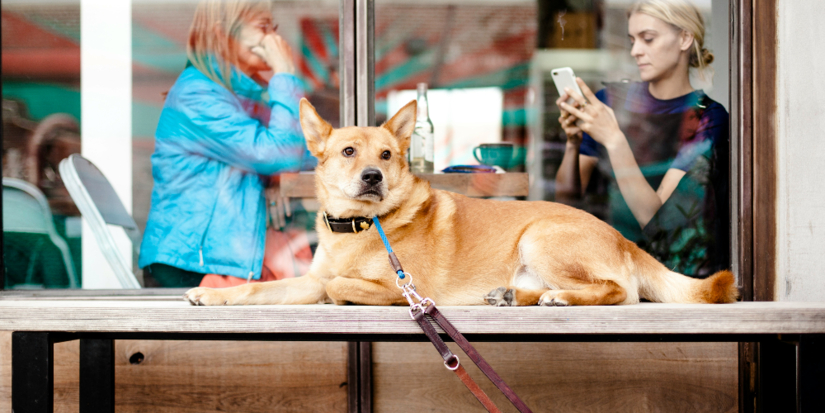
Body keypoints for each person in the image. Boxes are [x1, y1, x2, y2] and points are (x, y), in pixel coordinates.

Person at [139, 0, 315, 287]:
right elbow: (279, 155)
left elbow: (300, 155)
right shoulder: (198, 94)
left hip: (221, 261)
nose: (274, 39)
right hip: (191, 267)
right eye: (263, 27)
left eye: (274, 28)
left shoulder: (239, 96)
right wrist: (284, 73)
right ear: (223, 34)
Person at [554, 0, 729, 277]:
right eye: (633, 40)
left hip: (672, 275)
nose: (636, 51)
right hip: (607, 268)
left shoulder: (708, 118)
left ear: (685, 38)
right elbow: (567, 197)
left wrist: (614, 139)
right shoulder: (608, 102)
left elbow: (657, 222)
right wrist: (573, 143)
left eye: (648, 39)